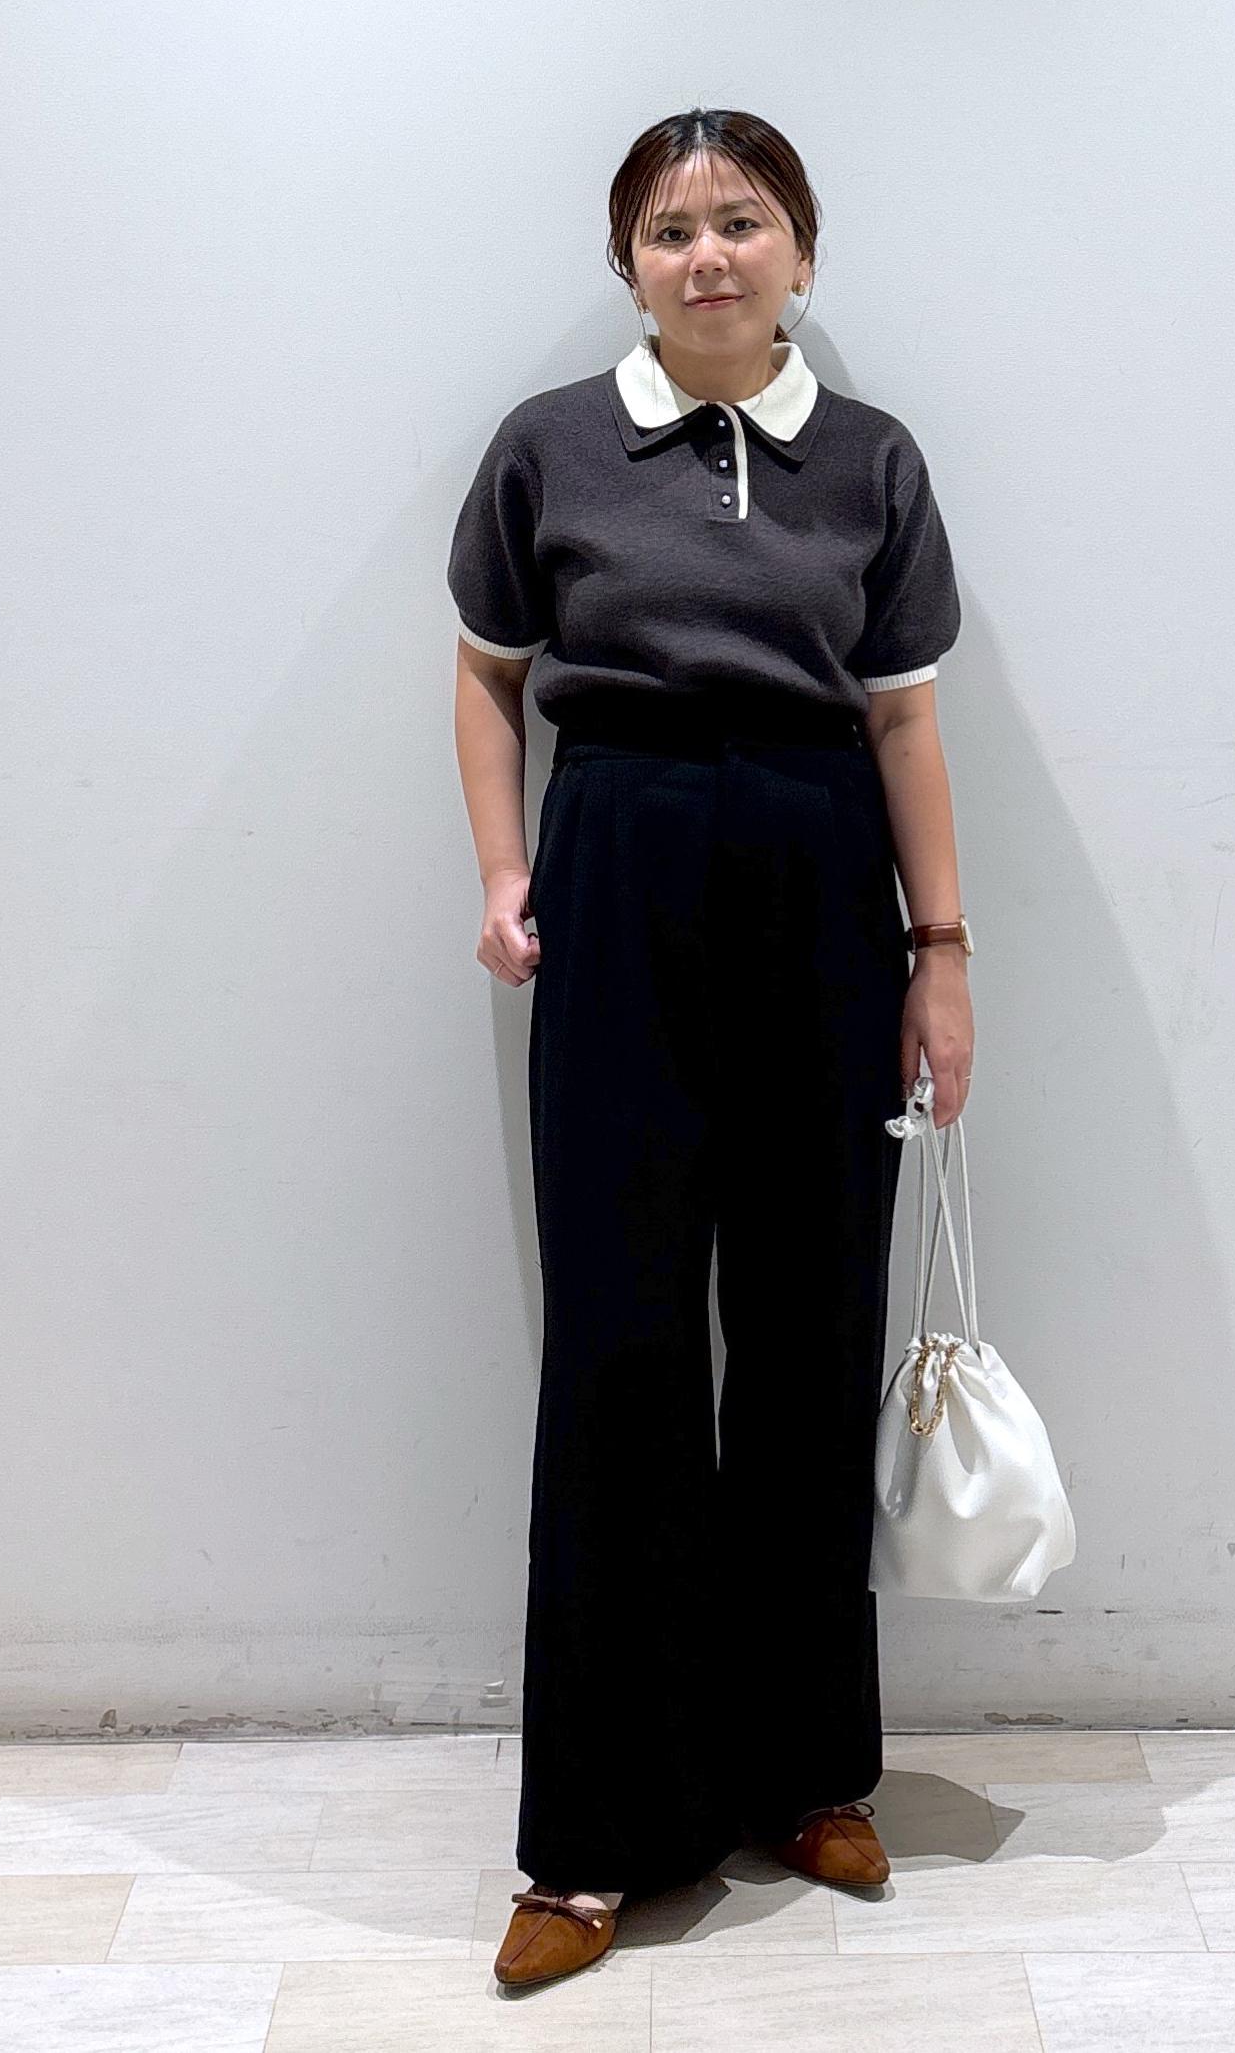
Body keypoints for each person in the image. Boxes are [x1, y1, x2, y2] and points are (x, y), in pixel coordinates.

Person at [448, 107, 974, 1990]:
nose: (707, 256)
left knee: (814, 1328)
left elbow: (902, 718)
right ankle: (595, 1836)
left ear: (800, 254)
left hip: (825, 879)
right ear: (628, 265)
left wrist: (939, 953)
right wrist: (505, 871)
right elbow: (491, 675)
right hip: (622, 866)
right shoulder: (550, 447)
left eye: (741, 221)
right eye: (669, 229)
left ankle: (804, 1771)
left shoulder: (872, 460)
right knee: (621, 1344)